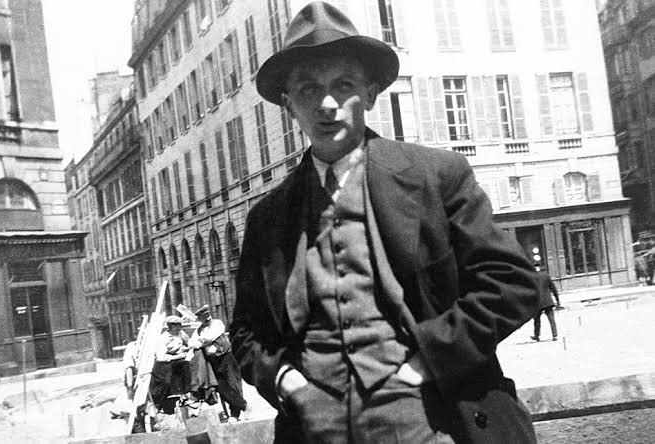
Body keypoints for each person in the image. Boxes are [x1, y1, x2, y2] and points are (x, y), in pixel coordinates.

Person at [230, 2, 541, 443]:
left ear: (371, 94)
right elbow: (246, 331)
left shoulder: (435, 176)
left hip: (426, 418)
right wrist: (286, 381)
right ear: (288, 104)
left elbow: (514, 285)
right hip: (314, 428)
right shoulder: (268, 217)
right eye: (308, 89)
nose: (327, 104)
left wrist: (427, 363)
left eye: (343, 85)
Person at [189, 305, 248, 421]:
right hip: (213, 362)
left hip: (226, 357)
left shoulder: (217, 323)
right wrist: (202, 341)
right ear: (200, 319)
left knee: (233, 384)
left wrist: (202, 341)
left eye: (208, 315)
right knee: (221, 387)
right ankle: (234, 411)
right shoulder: (198, 330)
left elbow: (210, 337)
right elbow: (191, 343)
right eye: (204, 317)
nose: (207, 319)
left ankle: (236, 413)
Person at [151, 315, 191, 413]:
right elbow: (161, 357)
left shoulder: (181, 334)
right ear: (172, 326)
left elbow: (189, 343)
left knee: (188, 368)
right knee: (166, 382)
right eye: (178, 325)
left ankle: (187, 394)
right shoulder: (163, 338)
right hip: (164, 364)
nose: (180, 327)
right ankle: (158, 403)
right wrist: (179, 356)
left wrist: (187, 349)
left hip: (178, 361)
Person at [530, 273, 561, 342]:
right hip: (548, 301)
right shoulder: (546, 276)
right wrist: (557, 299)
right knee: (551, 319)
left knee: (536, 320)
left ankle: (536, 336)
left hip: (537, 302)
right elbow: (553, 288)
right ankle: (555, 335)